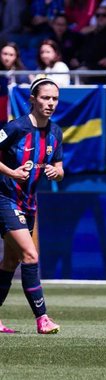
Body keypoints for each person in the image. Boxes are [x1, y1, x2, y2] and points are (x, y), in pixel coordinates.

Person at [0, 77, 63, 335]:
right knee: (31, 255)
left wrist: (55, 172)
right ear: (33, 100)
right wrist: (12, 173)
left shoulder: (56, 132)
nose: (50, 103)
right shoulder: (16, 128)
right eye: (45, 98)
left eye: (54, 99)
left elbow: (60, 168)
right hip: (5, 198)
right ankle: (43, 318)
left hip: (28, 203)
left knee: (10, 261)